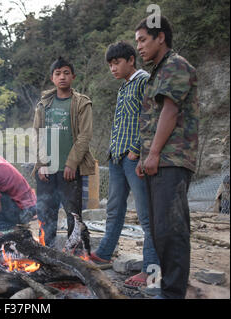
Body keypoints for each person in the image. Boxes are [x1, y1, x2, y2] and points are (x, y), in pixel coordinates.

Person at [135, 15, 199, 299]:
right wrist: (144, 157)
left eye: (143, 40)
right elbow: (151, 120)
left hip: (172, 159)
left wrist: (155, 153)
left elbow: (170, 112)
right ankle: (165, 288)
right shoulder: (156, 73)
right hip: (158, 160)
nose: (139, 47)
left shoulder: (176, 65)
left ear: (160, 37)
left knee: (171, 230)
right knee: (160, 230)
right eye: (137, 42)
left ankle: (173, 293)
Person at [90, 41, 160, 289]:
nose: (112, 68)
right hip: (117, 157)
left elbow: (151, 118)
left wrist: (137, 151)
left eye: (116, 62)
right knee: (114, 209)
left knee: (146, 215)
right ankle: (105, 253)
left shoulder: (144, 81)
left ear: (131, 59)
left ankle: (150, 268)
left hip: (134, 158)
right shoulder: (123, 87)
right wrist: (114, 152)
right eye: (110, 65)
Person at [32, 56, 96, 249]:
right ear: (52, 78)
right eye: (58, 73)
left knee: (73, 215)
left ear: (73, 77)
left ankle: (79, 254)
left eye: (66, 73)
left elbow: (85, 135)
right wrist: (42, 164)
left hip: (70, 170)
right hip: (46, 171)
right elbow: (37, 134)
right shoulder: (44, 105)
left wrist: (72, 163)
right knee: (45, 213)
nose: (62, 77)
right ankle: (46, 251)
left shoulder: (81, 103)